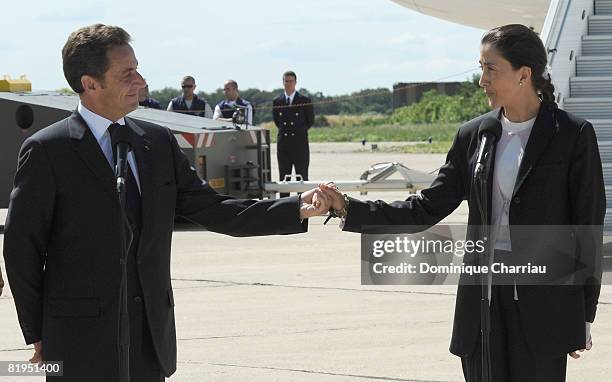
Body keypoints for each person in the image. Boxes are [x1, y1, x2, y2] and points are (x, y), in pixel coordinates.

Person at [2, 24, 329, 382]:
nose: (140, 81)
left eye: (138, 69)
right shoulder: (48, 150)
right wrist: (37, 332)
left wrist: (295, 207)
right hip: (76, 339)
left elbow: (214, 209)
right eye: (127, 73)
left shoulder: (155, 143)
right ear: (90, 83)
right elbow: (22, 248)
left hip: (149, 338)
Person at [317, 24, 605, 381]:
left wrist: (584, 311)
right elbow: (427, 206)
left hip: (543, 306)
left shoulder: (572, 134)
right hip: (481, 305)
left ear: (523, 74)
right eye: (480, 67)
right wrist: (347, 207)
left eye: (490, 68)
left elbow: (587, 224)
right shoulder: (474, 135)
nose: (482, 79)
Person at [272, 71, 314, 197]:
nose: (288, 83)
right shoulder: (278, 101)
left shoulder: (304, 100)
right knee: (284, 180)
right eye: (286, 81)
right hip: (284, 145)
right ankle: (284, 213)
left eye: (291, 81)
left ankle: (304, 214)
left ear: (295, 82)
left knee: (302, 180)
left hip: (300, 144)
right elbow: (277, 121)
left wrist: (298, 131)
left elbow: (310, 120)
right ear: (283, 82)